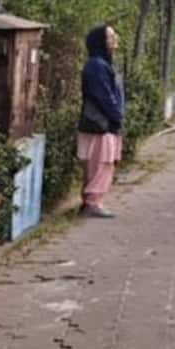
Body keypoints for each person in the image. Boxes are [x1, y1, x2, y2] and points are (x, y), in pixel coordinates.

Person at [77, 24, 125, 219]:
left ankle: (93, 201)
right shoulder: (97, 65)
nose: (114, 40)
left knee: (102, 163)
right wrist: (116, 114)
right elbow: (104, 95)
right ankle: (92, 202)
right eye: (110, 37)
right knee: (100, 164)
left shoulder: (102, 63)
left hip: (104, 123)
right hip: (99, 124)